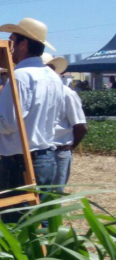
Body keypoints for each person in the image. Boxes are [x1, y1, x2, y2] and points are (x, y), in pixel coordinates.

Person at [0, 18, 62, 223]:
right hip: (46, 158)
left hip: (20, 164)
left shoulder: (20, 76)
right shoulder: (52, 76)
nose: (9, 46)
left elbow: (8, 124)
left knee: (17, 226)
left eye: (12, 40)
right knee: (40, 224)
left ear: (23, 44)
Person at [43, 53, 88, 194]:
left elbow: (81, 126)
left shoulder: (67, 94)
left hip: (58, 151)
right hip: (41, 151)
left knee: (53, 198)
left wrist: (68, 147)